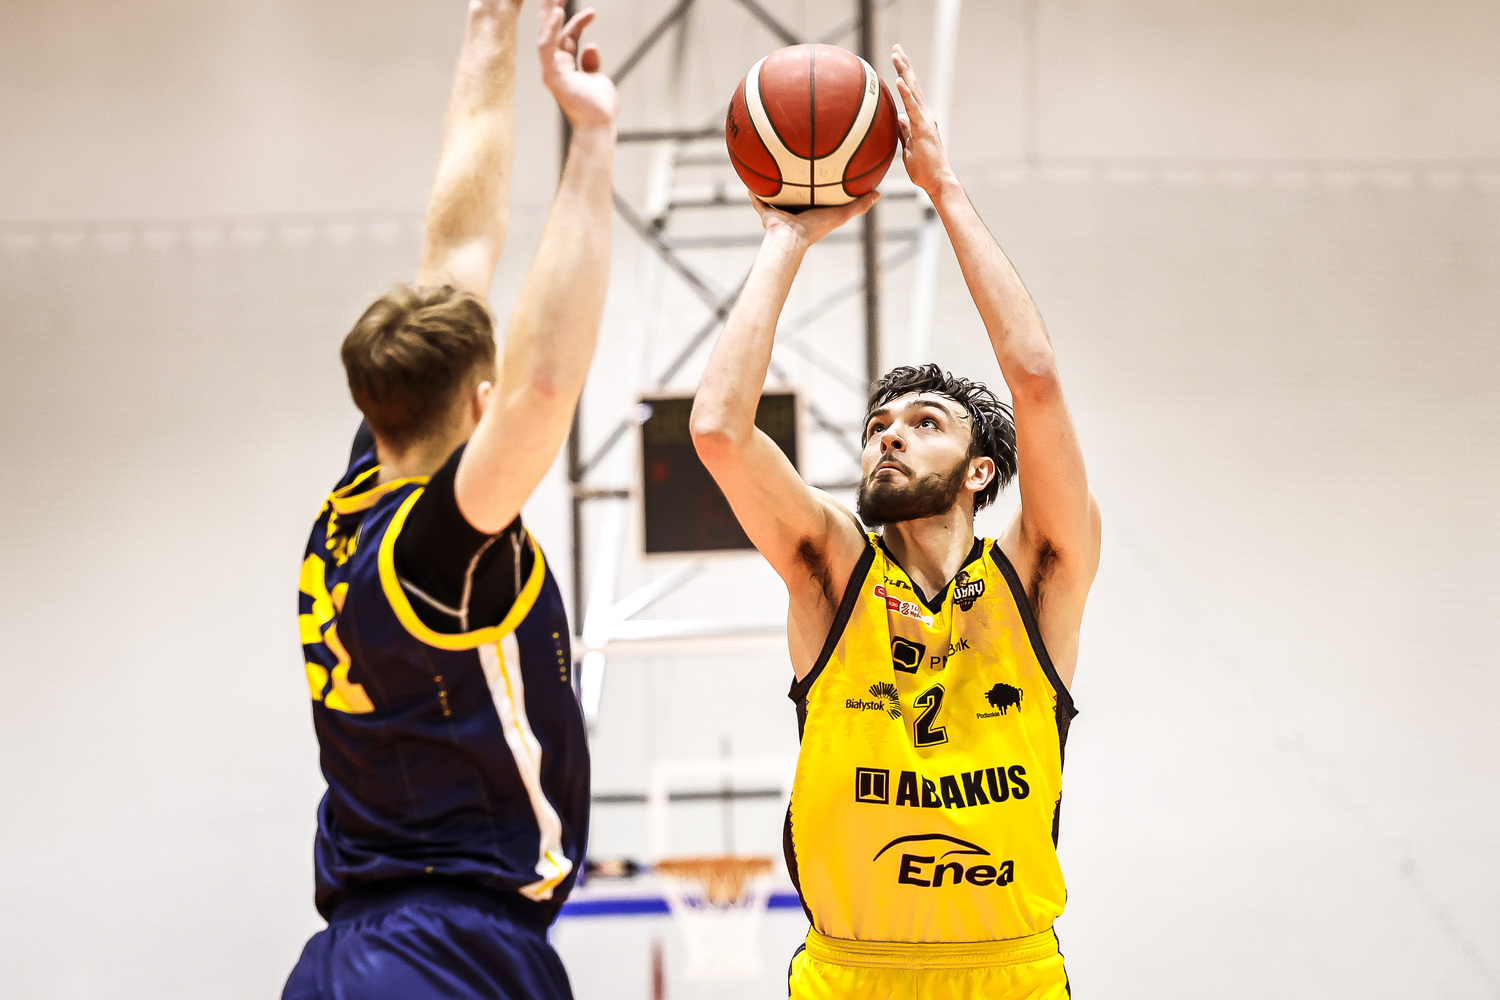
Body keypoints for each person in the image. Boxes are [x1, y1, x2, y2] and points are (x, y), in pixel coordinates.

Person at [689, 43, 1101, 1000]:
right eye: (879, 426)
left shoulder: (1037, 573)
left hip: (1008, 976)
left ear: (981, 470)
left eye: (924, 424)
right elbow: (715, 430)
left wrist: (944, 189)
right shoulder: (834, 572)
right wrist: (785, 238)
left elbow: (1035, 380)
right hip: (850, 975)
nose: (889, 437)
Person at [284, 2, 616, 997]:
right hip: (443, 954)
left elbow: (458, 245)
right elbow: (545, 386)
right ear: (478, 403)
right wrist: (591, 140)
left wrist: (490, 27)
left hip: (356, 951)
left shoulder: (361, 491)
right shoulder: (441, 552)